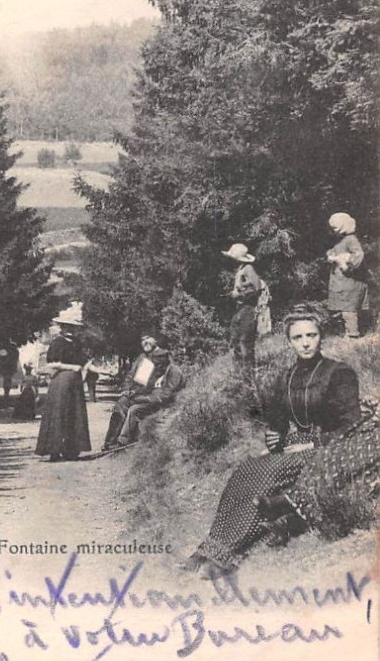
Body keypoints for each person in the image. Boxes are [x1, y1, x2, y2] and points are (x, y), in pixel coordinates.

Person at [188, 308, 379, 577]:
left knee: (269, 472)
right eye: (298, 337)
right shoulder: (286, 377)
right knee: (246, 469)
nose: (305, 342)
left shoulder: (340, 373)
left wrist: (312, 444)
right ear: (289, 341)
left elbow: (353, 426)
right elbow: (277, 421)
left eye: (311, 335)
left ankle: (226, 554)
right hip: (295, 443)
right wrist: (274, 436)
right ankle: (209, 547)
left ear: (320, 337)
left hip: (332, 446)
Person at [102, 335, 182, 450]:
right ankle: (110, 441)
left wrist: (144, 396)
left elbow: (160, 385)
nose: (145, 342)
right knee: (120, 404)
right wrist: (126, 389)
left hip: (149, 395)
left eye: (148, 338)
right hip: (137, 392)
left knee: (134, 409)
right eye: (142, 340)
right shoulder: (142, 357)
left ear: (156, 340)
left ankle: (123, 440)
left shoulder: (164, 358)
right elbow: (131, 375)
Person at [35, 317, 91, 461]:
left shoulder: (77, 343)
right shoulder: (57, 342)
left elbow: (84, 363)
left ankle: (71, 450)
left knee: (74, 415)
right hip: (61, 381)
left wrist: (105, 372)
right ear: (62, 327)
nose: (71, 330)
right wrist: (72, 367)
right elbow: (53, 363)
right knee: (59, 413)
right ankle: (54, 450)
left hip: (75, 384)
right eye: (68, 327)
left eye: (73, 327)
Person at [223, 243, 268, 381]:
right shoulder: (241, 269)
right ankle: (239, 373)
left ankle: (249, 375)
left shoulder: (249, 269)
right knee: (236, 339)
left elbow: (255, 290)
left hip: (249, 308)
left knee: (245, 341)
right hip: (241, 308)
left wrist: (238, 295)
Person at [326, 213, 367, 338]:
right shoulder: (341, 240)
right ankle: (348, 332)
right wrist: (331, 256)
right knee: (344, 308)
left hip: (349, 280)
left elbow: (359, 254)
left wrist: (347, 265)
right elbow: (333, 251)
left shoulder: (351, 239)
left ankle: (353, 334)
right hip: (341, 281)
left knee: (349, 308)